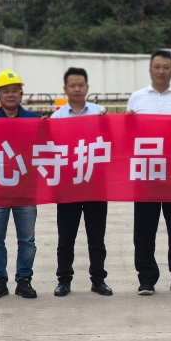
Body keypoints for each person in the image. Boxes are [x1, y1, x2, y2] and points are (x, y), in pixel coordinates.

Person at [127, 49, 171, 295]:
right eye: (157, 67)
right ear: (150, 69)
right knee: (144, 229)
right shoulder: (137, 98)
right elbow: (127, 135)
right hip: (146, 174)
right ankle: (146, 278)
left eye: (166, 67)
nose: (161, 71)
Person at [50, 66, 110, 297]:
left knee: (97, 238)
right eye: (72, 85)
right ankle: (64, 280)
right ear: (65, 88)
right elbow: (49, 148)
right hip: (68, 187)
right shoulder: (57, 117)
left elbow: (113, 142)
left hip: (96, 185)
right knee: (66, 238)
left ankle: (98, 280)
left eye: (81, 85)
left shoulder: (100, 114)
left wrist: (109, 124)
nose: (77, 89)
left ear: (87, 87)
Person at [0, 69, 38, 299]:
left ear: (21, 94)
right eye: (6, 91)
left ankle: (24, 280)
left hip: (26, 191)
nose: (11, 94)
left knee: (27, 240)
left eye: (15, 90)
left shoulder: (34, 120)